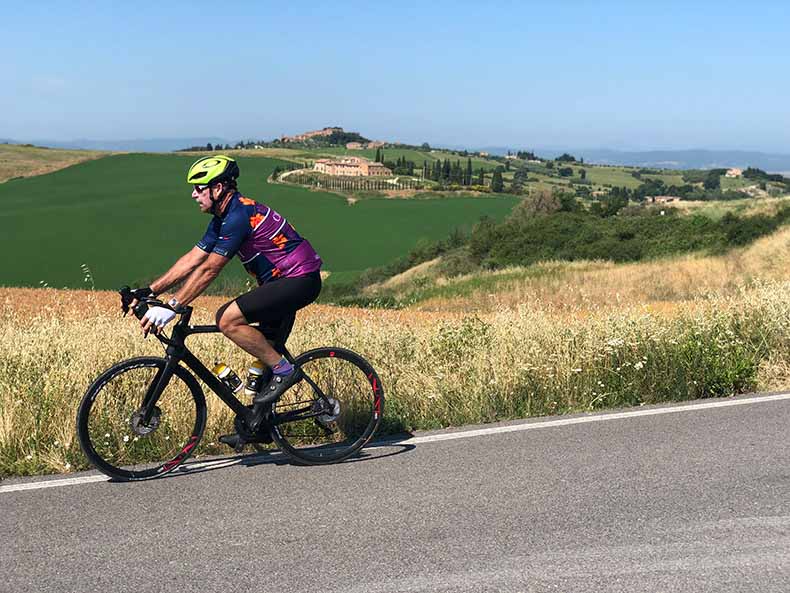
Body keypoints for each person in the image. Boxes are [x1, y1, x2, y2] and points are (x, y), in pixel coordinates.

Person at [130, 154, 322, 414]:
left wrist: (172, 306)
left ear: (218, 188)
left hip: (299, 280)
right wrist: (149, 291)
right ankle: (255, 426)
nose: (193, 195)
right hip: (279, 284)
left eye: (198, 188)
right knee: (264, 359)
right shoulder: (222, 218)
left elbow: (210, 269)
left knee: (227, 320)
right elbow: (192, 260)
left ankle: (285, 372)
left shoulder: (238, 216)